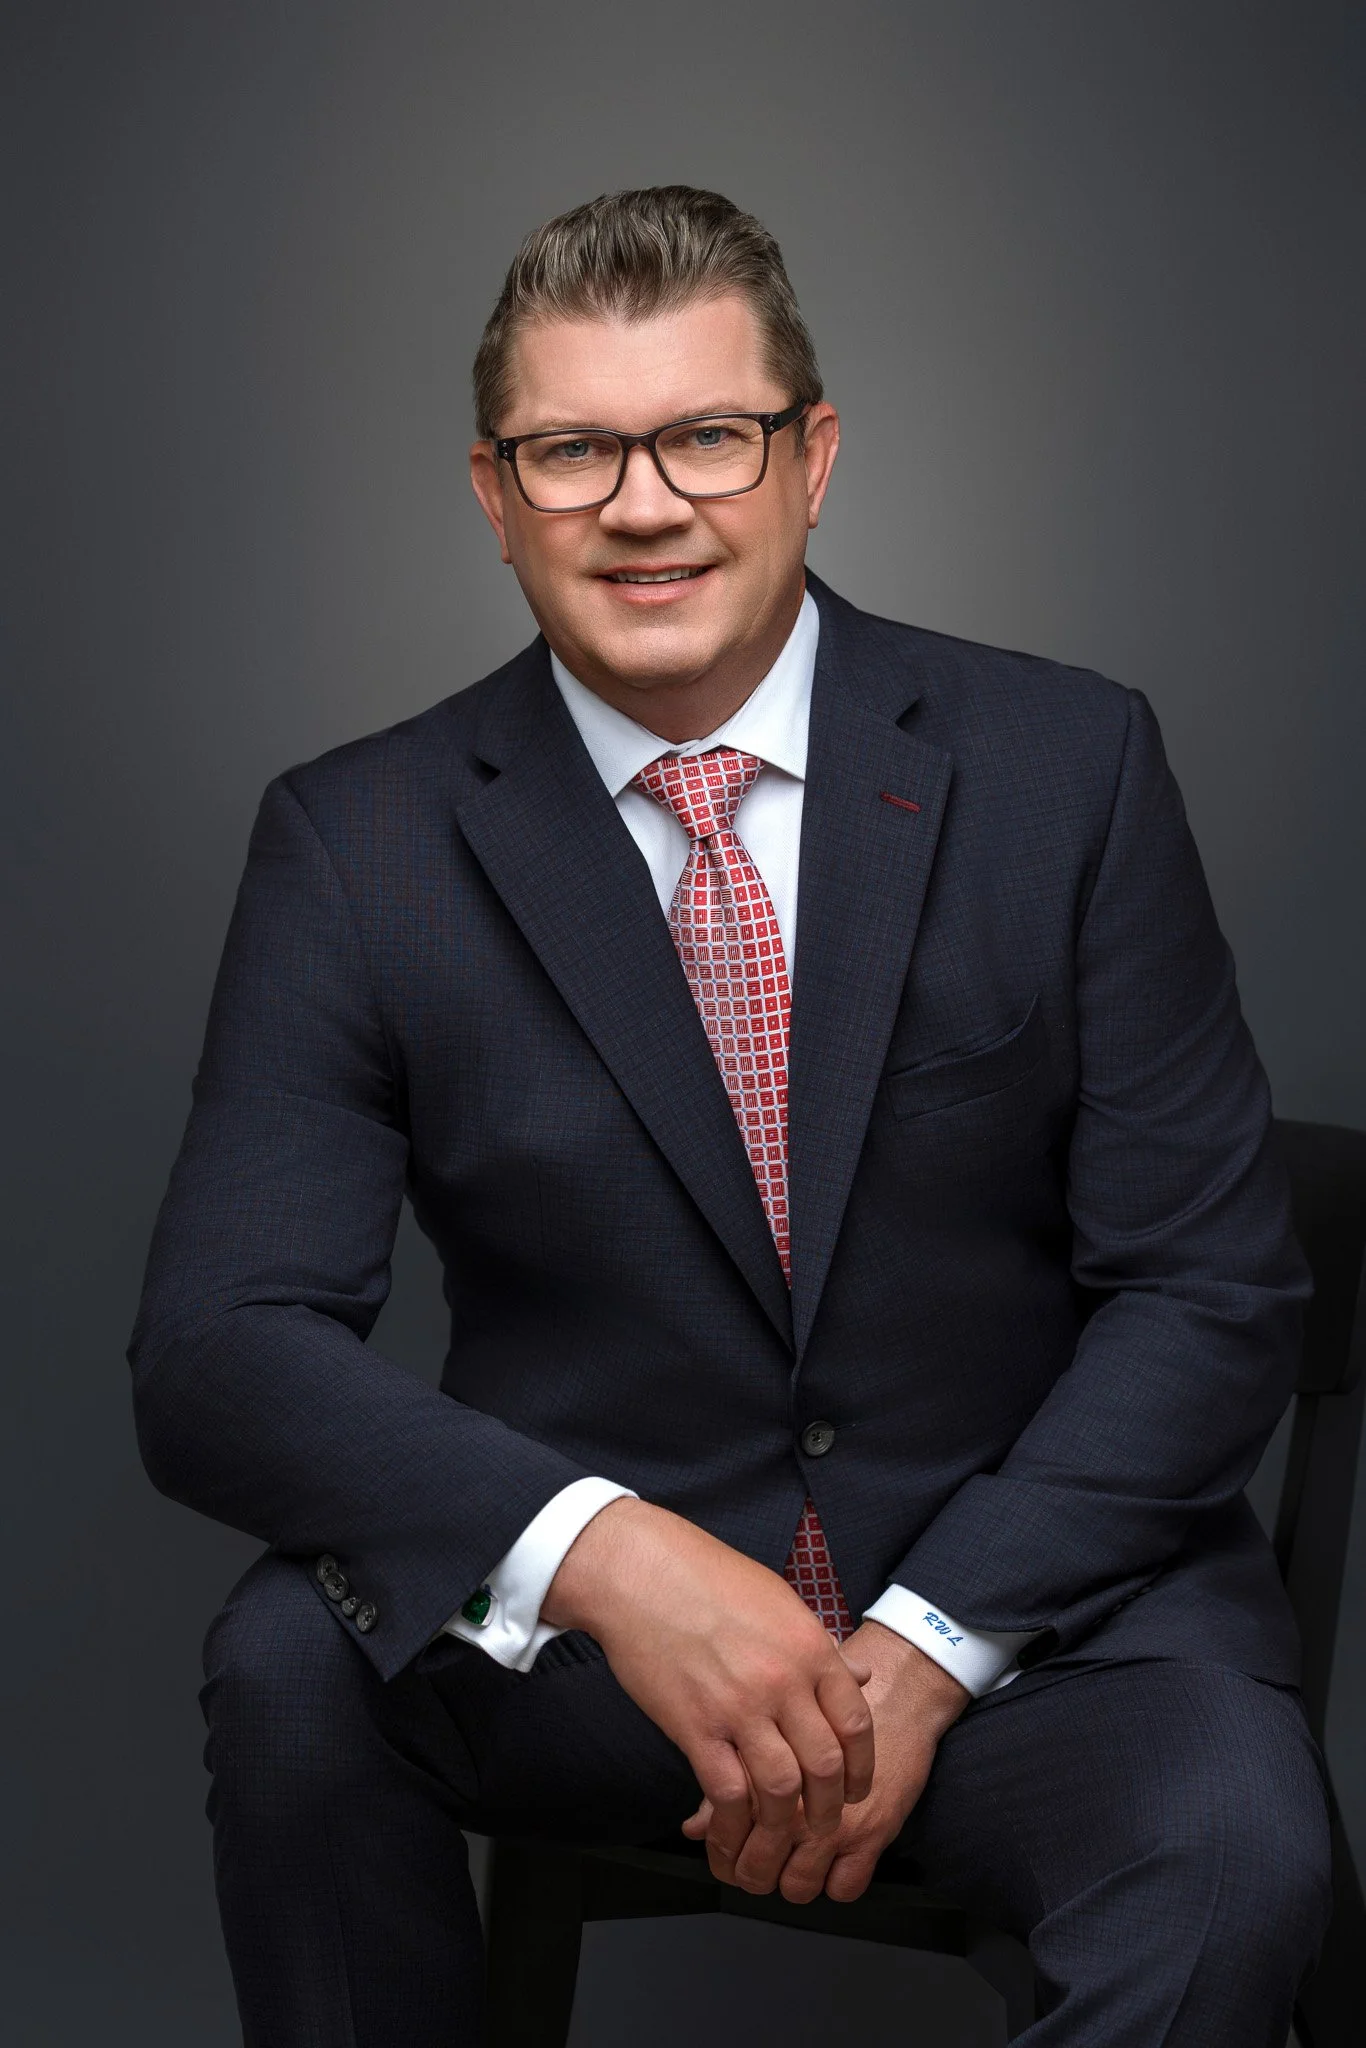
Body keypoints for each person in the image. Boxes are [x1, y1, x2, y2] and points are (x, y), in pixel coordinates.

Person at [129, 184, 1331, 2045]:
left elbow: (1210, 1290)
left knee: (1233, 1848)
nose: (643, 503)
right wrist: (609, 1560)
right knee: (294, 1668)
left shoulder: (1065, 766)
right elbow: (217, 1349)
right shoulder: (357, 843)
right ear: (493, 494)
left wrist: (925, 1646)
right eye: (571, 452)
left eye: (706, 434)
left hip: (1030, 1642)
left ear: (811, 458)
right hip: (598, 1664)